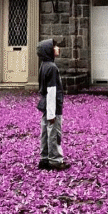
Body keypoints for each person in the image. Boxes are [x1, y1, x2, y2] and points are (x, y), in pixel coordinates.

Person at [36, 38, 69, 171]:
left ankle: (44, 158)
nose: (57, 48)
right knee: (54, 133)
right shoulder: (52, 68)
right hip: (53, 107)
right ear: (48, 50)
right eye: (54, 46)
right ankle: (55, 160)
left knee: (45, 132)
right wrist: (52, 113)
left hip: (45, 105)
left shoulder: (44, 65)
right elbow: (52, 91)